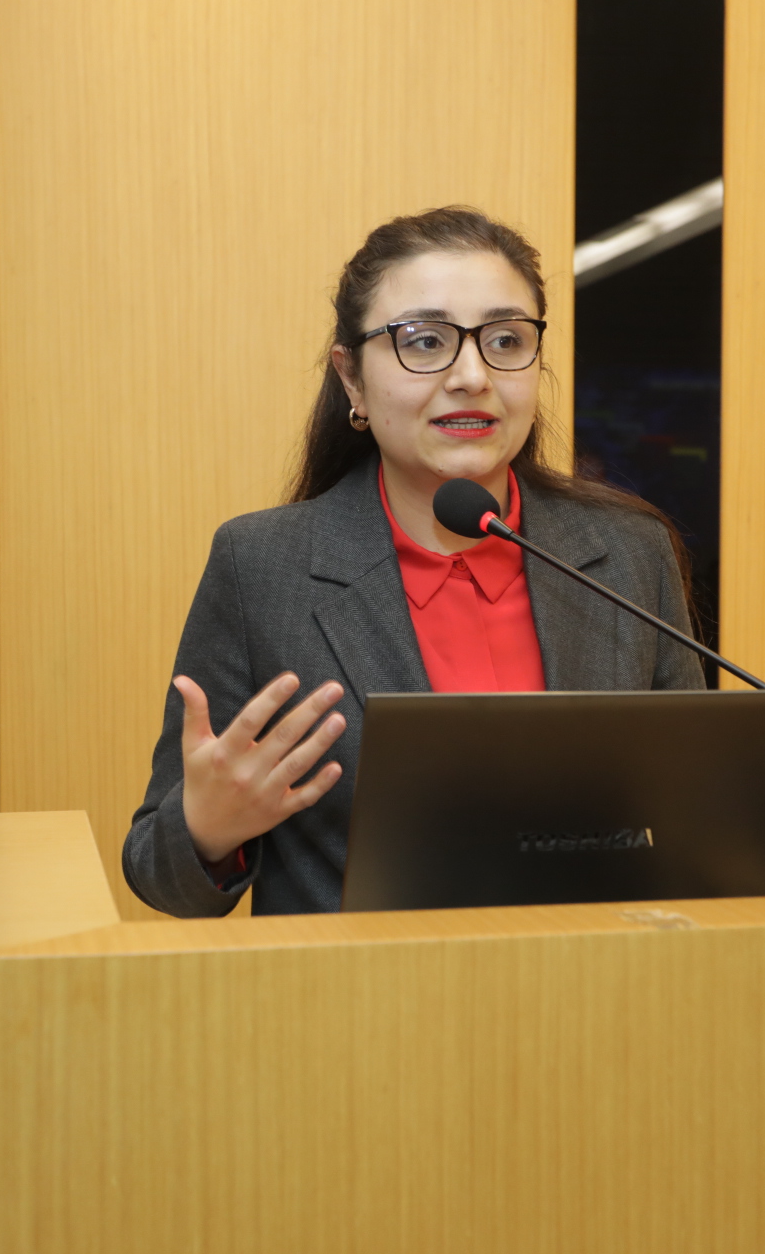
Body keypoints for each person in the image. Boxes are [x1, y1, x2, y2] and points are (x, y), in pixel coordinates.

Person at [123, 207, 704, 917]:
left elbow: (694, 816)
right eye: (425, 342)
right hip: (366, 985)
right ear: (352, 380)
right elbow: (160, 875)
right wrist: (210, 831)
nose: (472, 375)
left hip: (595, 980)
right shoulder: (262, 567)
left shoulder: (628, 551)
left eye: (505, 340)